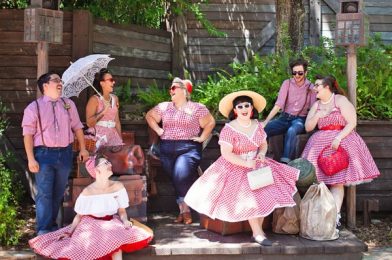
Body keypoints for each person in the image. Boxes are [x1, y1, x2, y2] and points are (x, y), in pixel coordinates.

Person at [184, 91, 299, 246]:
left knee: (265, 195)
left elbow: (263, 144)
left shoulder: (257, 126)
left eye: (247, 105)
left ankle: (257, 231)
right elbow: (226, 154)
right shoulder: (229, 129)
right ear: (235, 110)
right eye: (240, 106)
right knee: (251, 198)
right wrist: (246, 164)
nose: (244, 108)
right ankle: (258, 233)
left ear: (251, 108)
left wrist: (262, 154)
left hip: (257, 165)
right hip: (234, 167)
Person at [29, 155, 153, 260]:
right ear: (97, 169)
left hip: (110, 222)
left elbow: (122, 211)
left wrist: (125, 221)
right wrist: (70, 232)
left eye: (109, 162)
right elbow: (79, 216)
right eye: (105, 163)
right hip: (90, 224)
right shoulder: (87, 192)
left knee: (116, 242)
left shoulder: (118, 186)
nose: (109, 164)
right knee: (87, 246)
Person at [301, 75, 380, 225]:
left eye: (317, 85)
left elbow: (352, 122)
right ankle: (320, 219)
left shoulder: (340, 100)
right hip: (319, 146)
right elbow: (308, 127)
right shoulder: (316, 105)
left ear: (327, 87)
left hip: (342, 142)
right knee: (319, 182)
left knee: (337, 182)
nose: (314, 88)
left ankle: (334, 218)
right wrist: (318, 115)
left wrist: (338, 138)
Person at [22, 72, 89, 235]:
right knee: (44, 193)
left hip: (65, 153)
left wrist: (83, 148)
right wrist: (31, 159)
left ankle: (53, 227)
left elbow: (78, 127)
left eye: (61, 80)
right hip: (43, 155)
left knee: (58, 192)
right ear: (45, 86)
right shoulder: (33, 107)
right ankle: (44, 230)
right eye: (56, 80)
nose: (60, 83)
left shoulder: (68, 104)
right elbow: (28, 135)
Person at [145, 77, 215, 225]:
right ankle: (182, 210)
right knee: (176, 179)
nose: (170, 91)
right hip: (167, 148)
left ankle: (187, 210)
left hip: (188, 148)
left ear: (184, 91)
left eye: (174, 88)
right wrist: (158, 129)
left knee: (180, 175)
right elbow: (149, 116)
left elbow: (210, 122)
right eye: (170, 88)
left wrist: (202, 137)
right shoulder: (164, 107)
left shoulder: (197, 108)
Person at [263, 59, 316, 163]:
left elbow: (313, 107)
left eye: (300, 73)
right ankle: (257, 158)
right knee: (264, 130)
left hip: (300, 120)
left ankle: (285, 163)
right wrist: (265, 121)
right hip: (284, 118)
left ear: (305, 72)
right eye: (294, 72)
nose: (297, 75)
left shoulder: (311, 87)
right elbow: (279, 104)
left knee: (291, 131)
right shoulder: (287, 83)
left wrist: (310, 125)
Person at [85, 68, 123, 148]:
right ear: (102, 83)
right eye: (111, 80)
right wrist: (103, 112)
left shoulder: (115, 98)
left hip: (113, 135)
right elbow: (89, 123)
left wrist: (120, 139)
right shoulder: (94, 100)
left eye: (113, 79)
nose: (114, 82)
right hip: (98, 135)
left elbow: (117, 121)